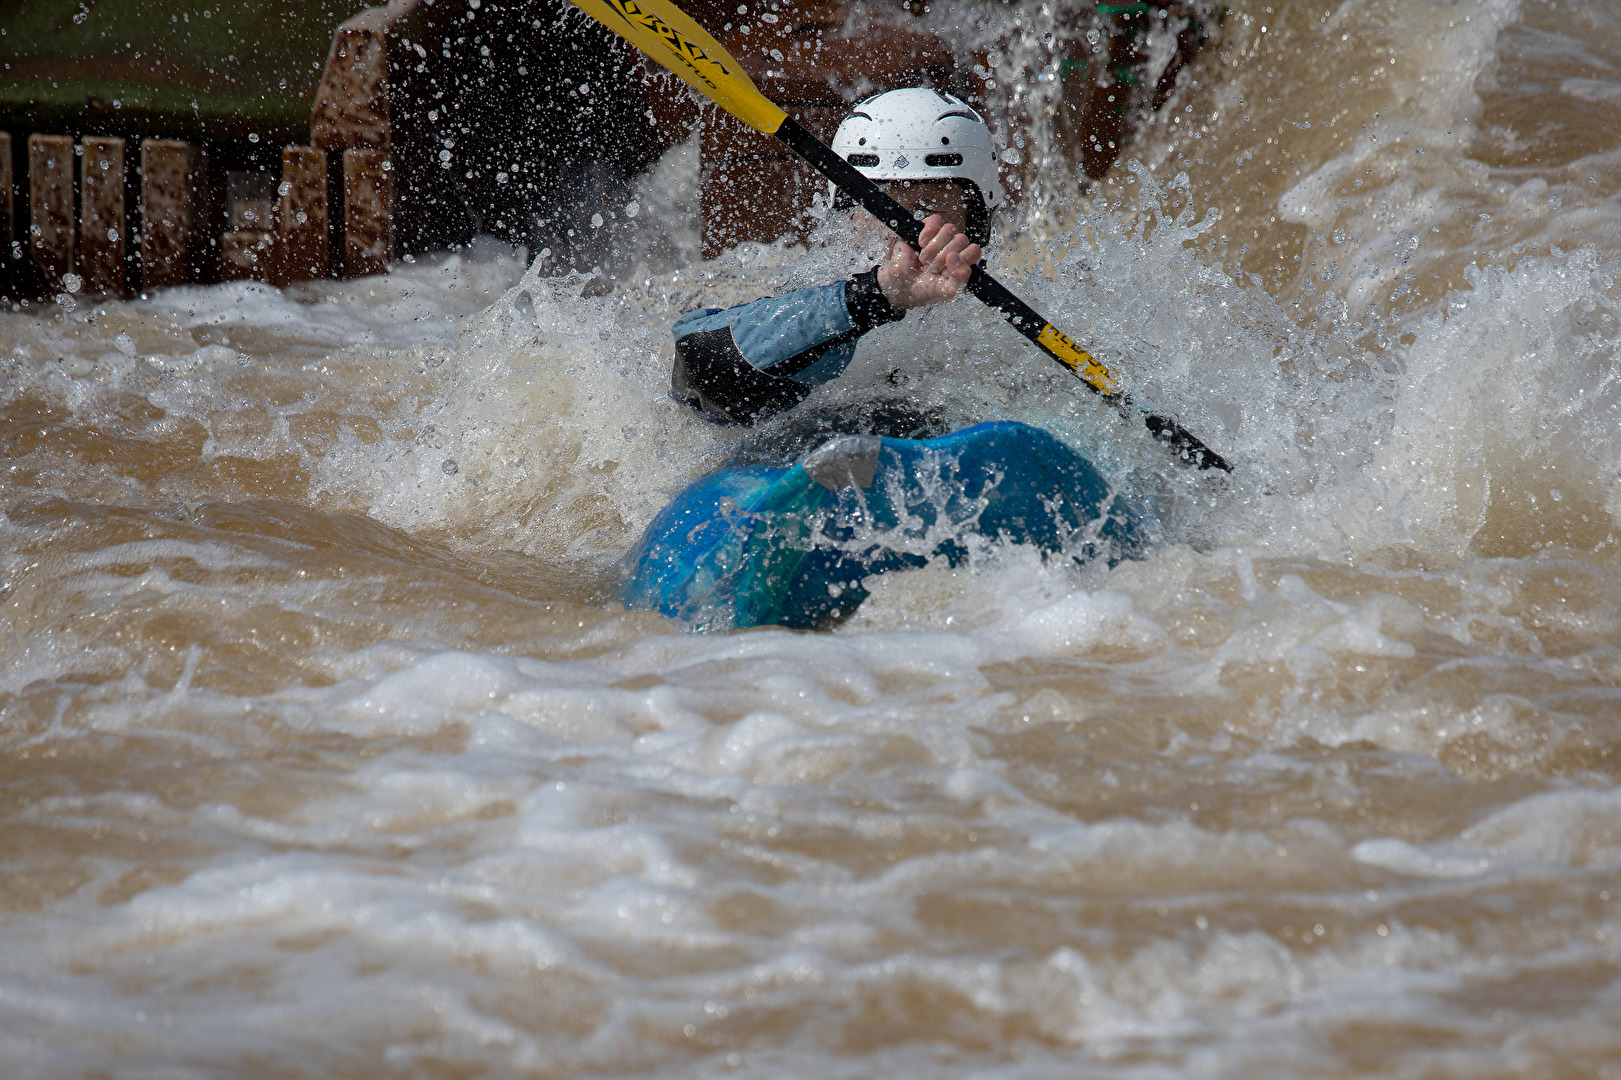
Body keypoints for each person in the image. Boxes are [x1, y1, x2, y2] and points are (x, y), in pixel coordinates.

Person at [669, 87, 1005, 426]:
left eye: (928, 207)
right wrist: (878, 295)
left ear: (976, 223)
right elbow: (700, 369)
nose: (899, 233)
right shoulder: (809, 299)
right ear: (845, 216)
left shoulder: (1000, 327)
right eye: (881, 207)